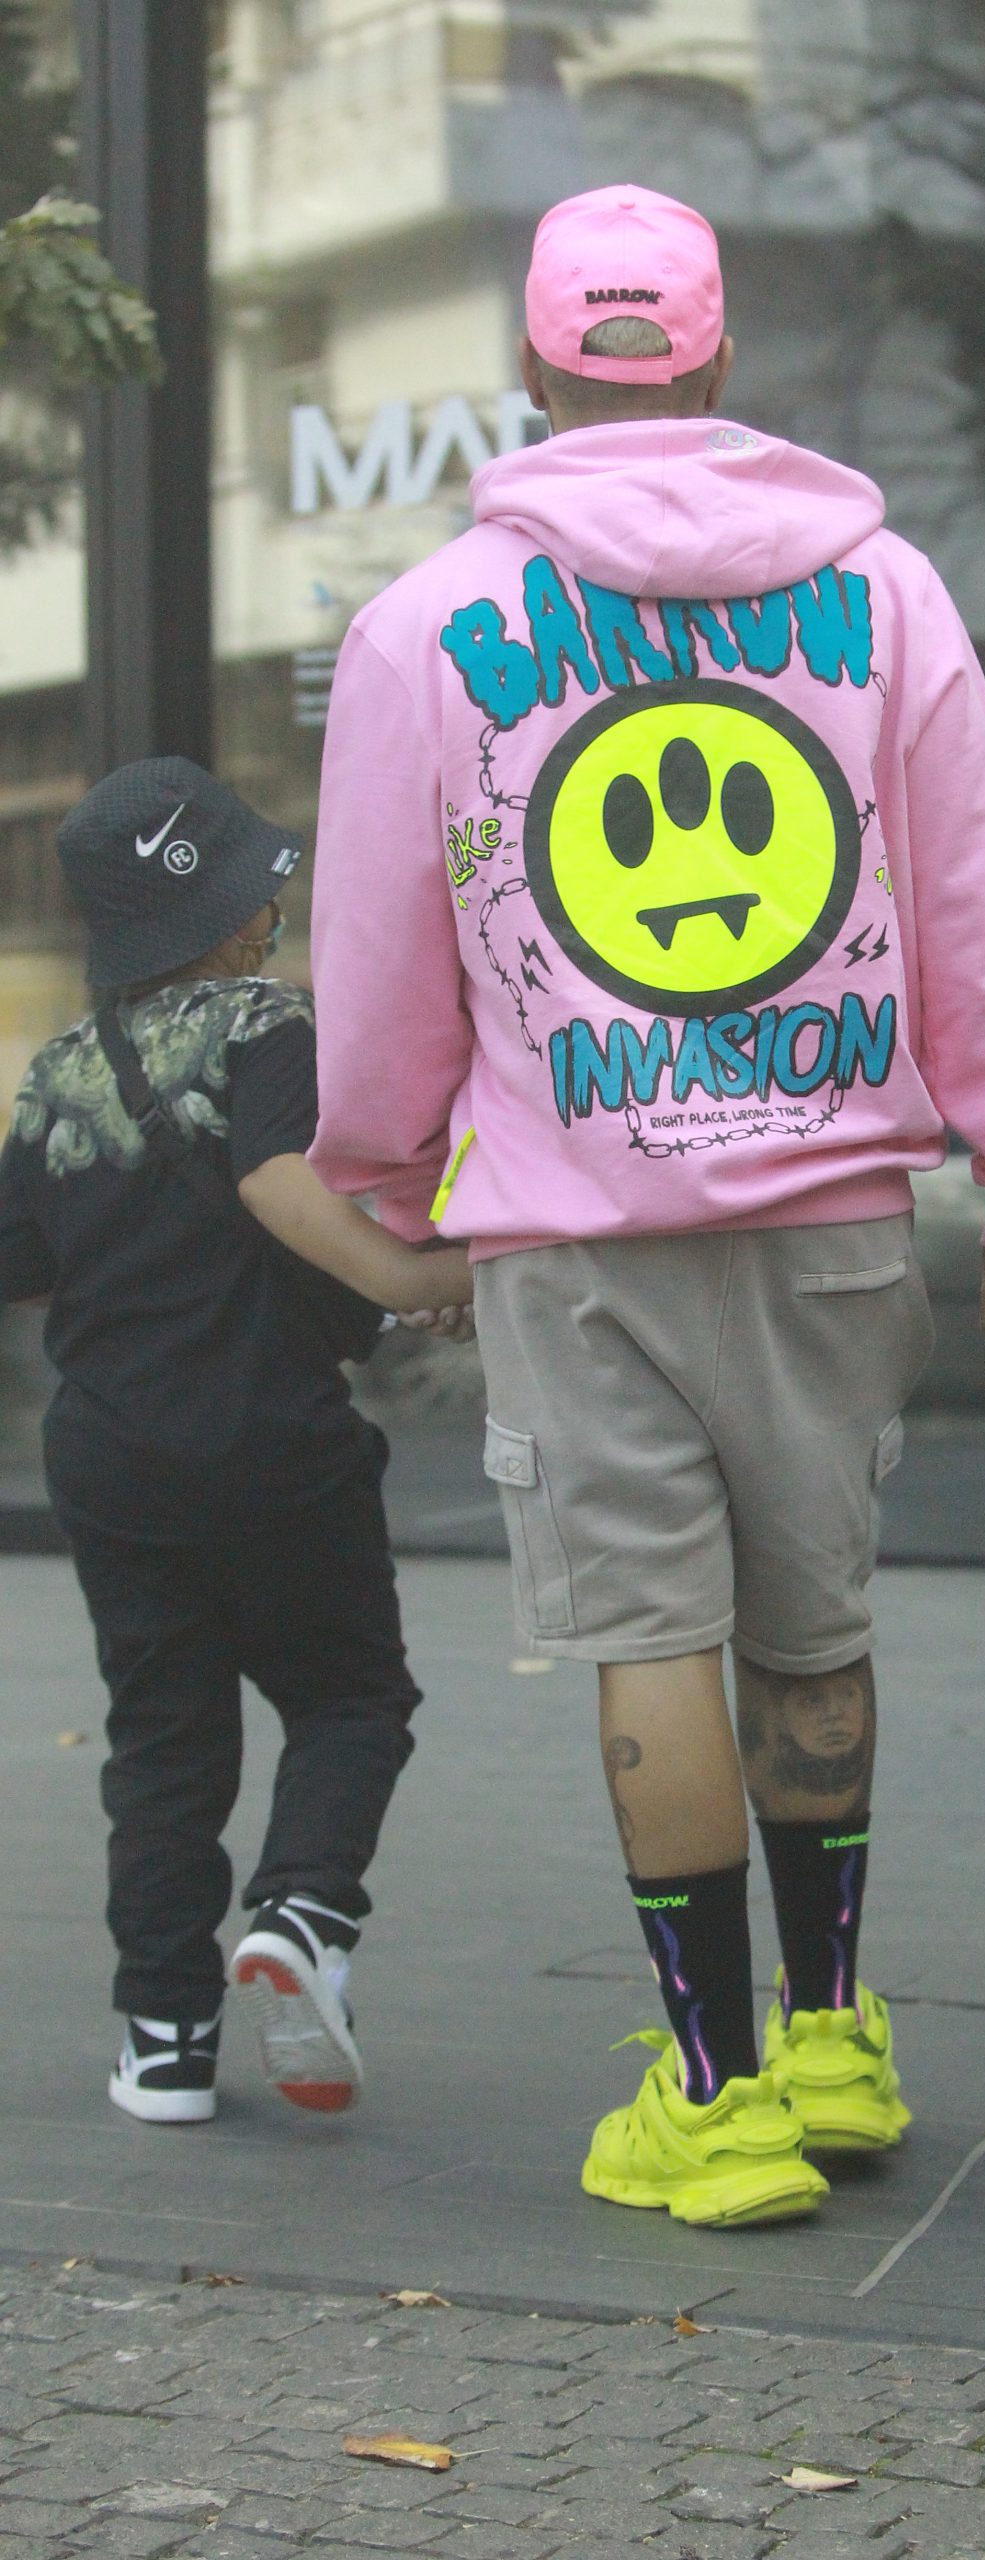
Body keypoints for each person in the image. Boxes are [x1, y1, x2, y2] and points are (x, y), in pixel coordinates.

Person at [305, 183, 985, 2228]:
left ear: (531, 368)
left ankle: (715, 2092)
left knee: (649, 1635)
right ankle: (830, 2034)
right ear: (722, 357)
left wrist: (385, 1174)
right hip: (832, 1210)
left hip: (577, 1230)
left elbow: (386, 959)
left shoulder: (423, 629)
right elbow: (983, 912)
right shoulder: (886, 596)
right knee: (811, 1622)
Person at [0, 758, 473, 2126]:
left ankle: (164, 2039)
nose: (275, 911)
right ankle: (304, 1915)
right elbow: (273, 1180)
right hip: (270, 1436)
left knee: (163, 1741)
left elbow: (23, 1259)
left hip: (109, 1450)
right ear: (225, 914)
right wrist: (410, 1278)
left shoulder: (59, 1072)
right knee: (347, 1696)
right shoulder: (269, 1029)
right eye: (261, 892)